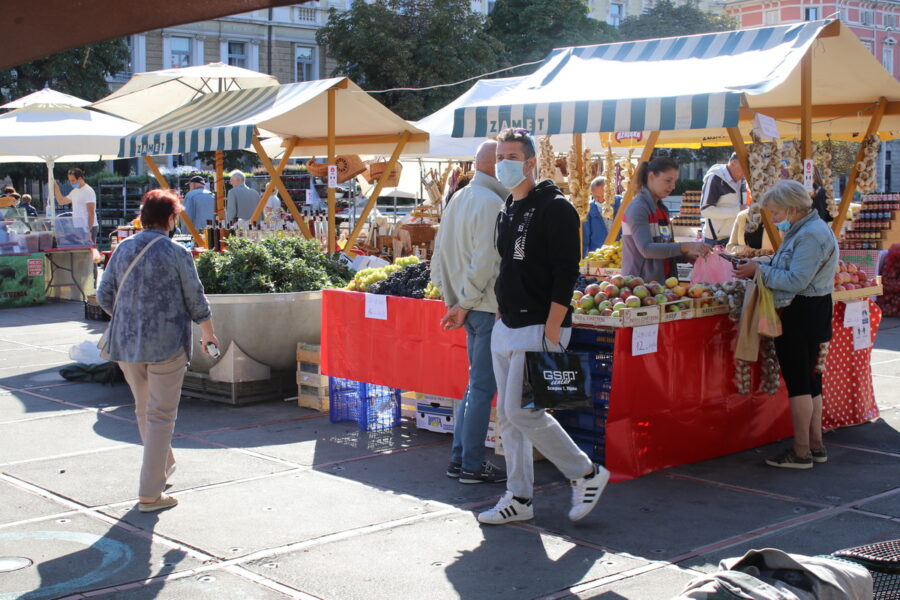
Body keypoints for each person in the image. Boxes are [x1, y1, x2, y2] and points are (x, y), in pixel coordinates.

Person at [477, 128, 609, 526]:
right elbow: (510, 265)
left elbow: (566, 272)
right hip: (508, 323)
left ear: (531, 162)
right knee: (509, 416)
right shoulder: (508, 208)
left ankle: (585, 472)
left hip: (540, 325)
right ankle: (519, 497)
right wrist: (501, 307)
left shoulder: (556, 207)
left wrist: (553, 329)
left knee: (522, 411)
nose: (504, 162)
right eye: (500, 155)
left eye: (512, 156)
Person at [96, 189, 220, 512]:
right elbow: (196, 300)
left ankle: (161, 470)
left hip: (125, 343)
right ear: (170, 218)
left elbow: (103, 296)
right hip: (167, 344)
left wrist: (128, 318)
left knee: (143, 409)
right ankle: (150, 493)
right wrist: (208, 335)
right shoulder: (176, 252)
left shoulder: (123, 248)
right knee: (160, 416)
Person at [734, 180, 838, 470]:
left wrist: (760, 270)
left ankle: (801, 451)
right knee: (810, 380)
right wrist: (766, 264)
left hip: (800, 311)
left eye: (777, 213)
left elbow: (796, 280)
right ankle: (815, 446)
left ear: (792, 209)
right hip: (810, 309)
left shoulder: (810, 235)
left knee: (799, 383)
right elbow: (794, 268)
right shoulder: (808, 229)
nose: (775, 219)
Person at [431, 141, 507, 485]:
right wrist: (464, 302)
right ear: (496, 165)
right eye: (507, 160)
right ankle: (471, 464)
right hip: (483, 305)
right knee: (480, 387)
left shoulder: (460, 197)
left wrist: (454, 300)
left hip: (469, 303)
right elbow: (485, 260)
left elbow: (439, 255)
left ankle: (461, 459)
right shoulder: (492, 202)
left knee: (475, 386)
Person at [621, 156, 711, 283]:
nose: (673, 186)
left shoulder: (661, 209)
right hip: (640, 286)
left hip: (663, 285)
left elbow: (665, 248)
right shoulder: (638, 208)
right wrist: (684, 247)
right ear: (651, 177)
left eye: (674, 181)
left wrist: (685, 256)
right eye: (668, 180)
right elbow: (647, 249)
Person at [700, 153, 745, 247]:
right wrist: (737, 210)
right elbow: (705, 210)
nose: (745, 174)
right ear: (733, 164)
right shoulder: (715, 178)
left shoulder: (741, 180)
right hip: (715, 240)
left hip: (734, 237)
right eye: (743, 169)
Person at [54, 168, 98, 243]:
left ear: (80, 178)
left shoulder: (88, 191)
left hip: (88, 227)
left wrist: (88, 230)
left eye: (73, 180)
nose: (71, 183)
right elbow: (61, 201)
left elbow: (91, 213)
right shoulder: (75, 191)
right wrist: (56, 188)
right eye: (70, 180)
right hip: (78, 227)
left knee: (88, 251)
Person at [581, 176, 622, 256]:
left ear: (611, 192)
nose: (600, 200)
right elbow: (585, 238)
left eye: (603, 196)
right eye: (596, 197)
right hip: (598, 255)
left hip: (619, 255)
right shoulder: (588, 208)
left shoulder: (621, 203)